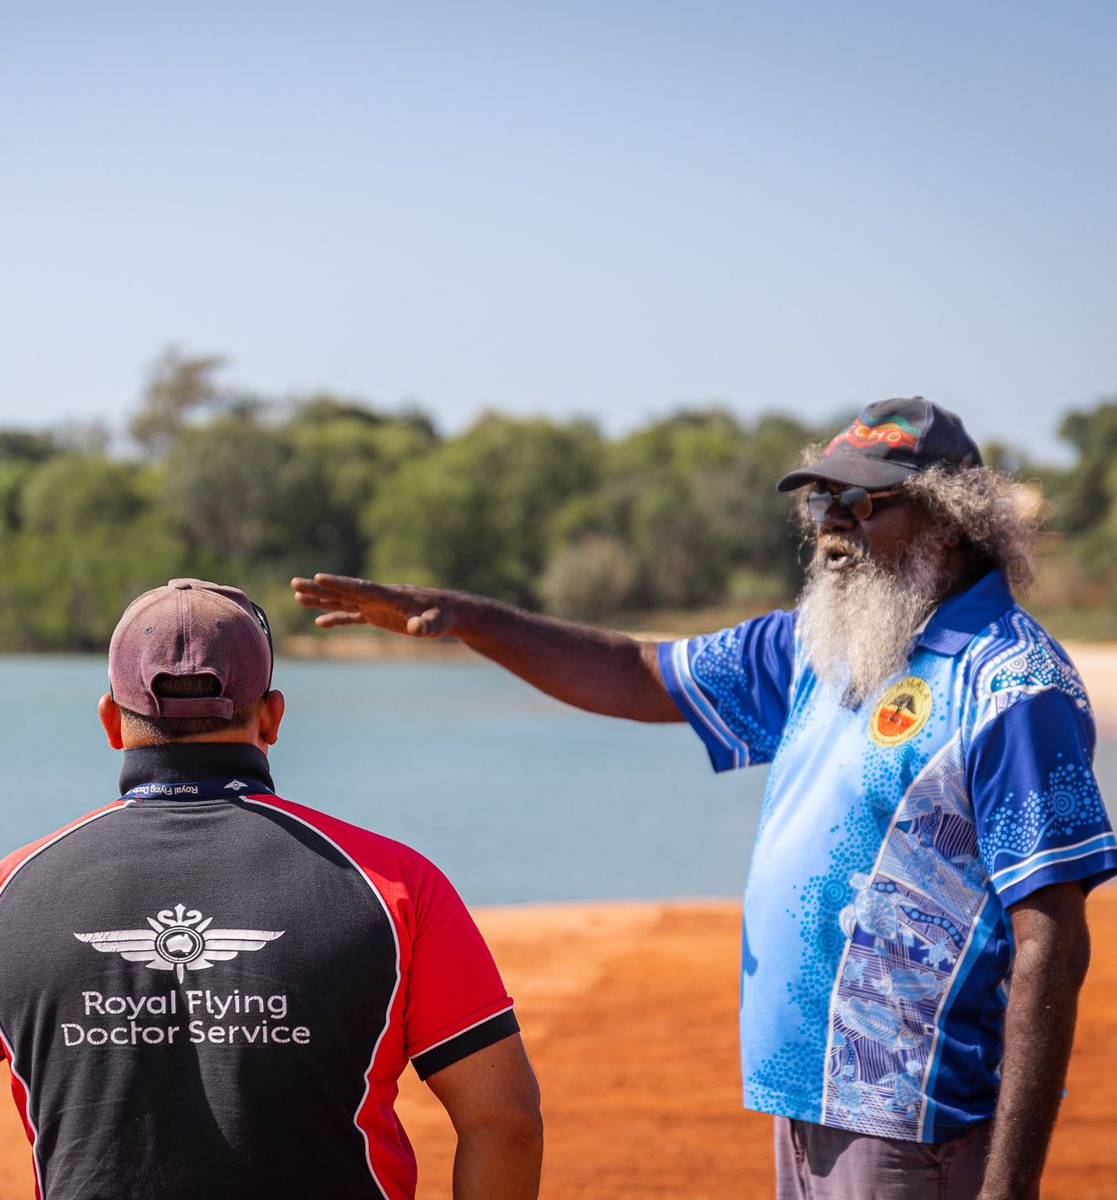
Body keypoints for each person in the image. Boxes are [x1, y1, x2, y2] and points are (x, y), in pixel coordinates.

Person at [293, 397, 1117, 1200]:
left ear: (952, 521)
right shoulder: (820, 649)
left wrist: (1011, 1183)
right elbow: (636, 673)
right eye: (823, 501)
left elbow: (1050, 940)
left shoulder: (1013, 686)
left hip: (919, 1117)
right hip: (809, 1098)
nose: (833, 523)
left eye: (863, 502)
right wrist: (467, 619)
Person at [0, 578, 543, 1200]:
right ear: (271, 717)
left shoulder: (3, 897)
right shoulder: (393, 885)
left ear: (111, 722)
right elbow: (502, 1118)